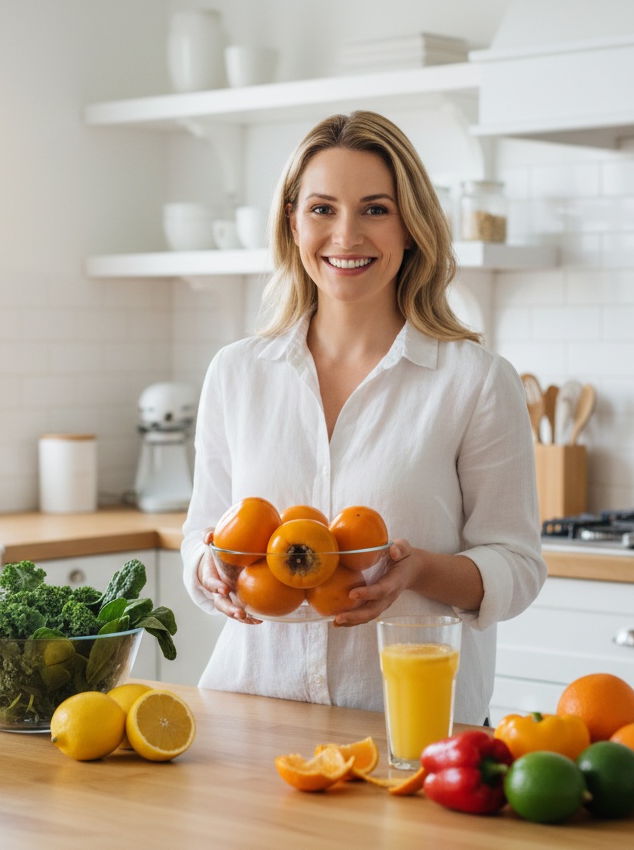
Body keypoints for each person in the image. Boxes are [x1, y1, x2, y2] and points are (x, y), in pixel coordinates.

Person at [179, 110, 545, 726]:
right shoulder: (236, 372)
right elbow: (200, 533)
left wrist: (420, 571)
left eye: (375, 209)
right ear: (292, 224)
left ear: (411, 228)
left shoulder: (474, 380)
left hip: (412, 729)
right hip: (250, 711)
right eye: (322, 209)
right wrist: (206, 570)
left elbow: (518, 567)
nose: (346, 235)